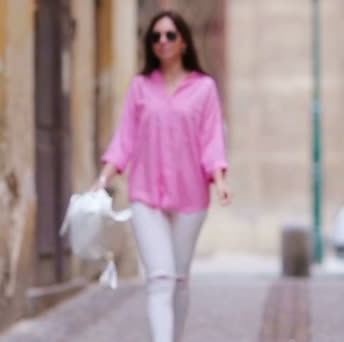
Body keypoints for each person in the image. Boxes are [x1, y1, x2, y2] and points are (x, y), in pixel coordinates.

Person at [91, 10, 232, 342]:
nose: (162, 42)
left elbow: (212, 140)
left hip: (191, 195)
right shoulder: (141, 88)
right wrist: (104, 177)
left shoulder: (204, 88)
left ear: (183, 42)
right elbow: (124, 138)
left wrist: (220, 180)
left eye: (170, 35)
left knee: (179, 278)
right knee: (160, 277)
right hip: (146, 195)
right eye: (155, 37)